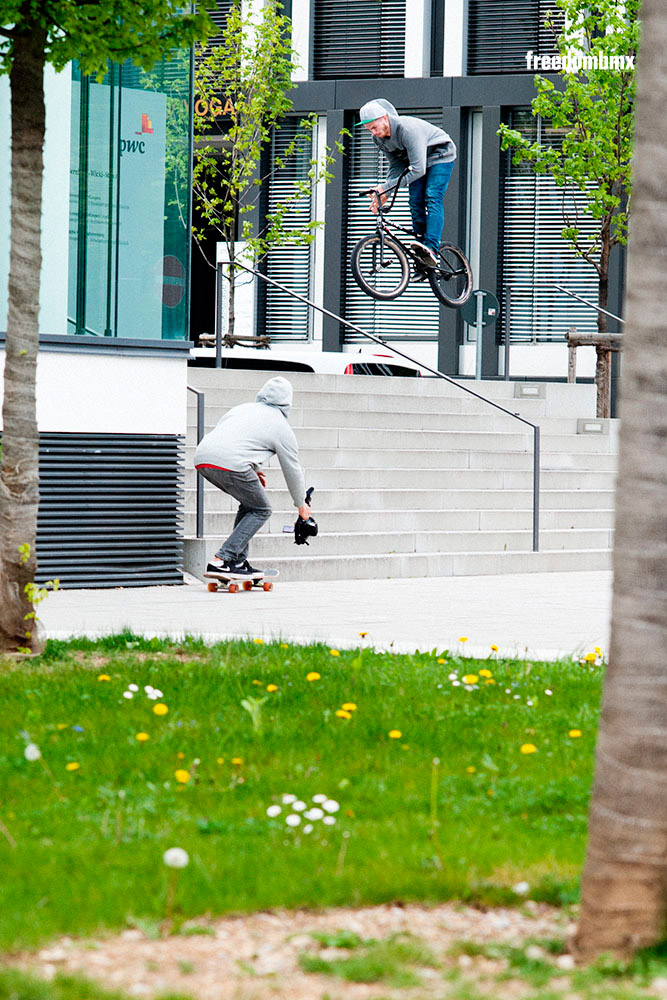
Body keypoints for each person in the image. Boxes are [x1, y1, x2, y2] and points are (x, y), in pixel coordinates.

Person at [193, 376, 310, 578]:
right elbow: (292, 468)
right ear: (287, 402)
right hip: (233, 464)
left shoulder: (241, 408)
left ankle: (237, 561)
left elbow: (231, 437)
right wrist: (301, 503)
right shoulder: (281, 426)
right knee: (262, 509)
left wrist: (253, 469)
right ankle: (222, 559)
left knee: (249, 505)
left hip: (202, 458)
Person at [356, 98, 456, 268]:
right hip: (418, 161)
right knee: (414, 201)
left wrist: (386, 188)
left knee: (432, 196)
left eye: (374, 127)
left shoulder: (407, 130)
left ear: (385, 118)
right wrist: (385, 192)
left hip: (440, 155)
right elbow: (396, 166)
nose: (373, 133)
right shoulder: (379, 139)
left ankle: (431, 247)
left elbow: (418, 170)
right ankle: (424, 257)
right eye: (368, 130)